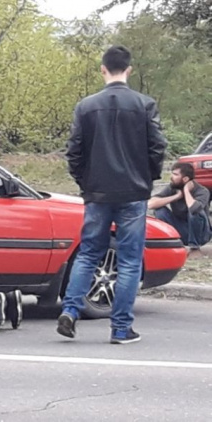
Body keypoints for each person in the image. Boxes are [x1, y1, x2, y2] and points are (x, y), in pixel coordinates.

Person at [58, 45, 167, 344]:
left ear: (103, 69)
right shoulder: (145, 104)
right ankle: (120, 329)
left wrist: (85, 182)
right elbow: (157, 147)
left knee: (89, 252)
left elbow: (74, 152)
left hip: (97, 192)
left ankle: (70, 310)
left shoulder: (86, 106)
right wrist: (147, 178)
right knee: (130, 260)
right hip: (133, 192)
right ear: (129, 70)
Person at [149, 162, 211, 254]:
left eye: (175, 174)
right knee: (160, 210)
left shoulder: (202, 191)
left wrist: (186, 191)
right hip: (182, 229)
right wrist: (176, 196)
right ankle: (170, 242)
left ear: (185, 179)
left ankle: (195, 248)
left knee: (194, 211)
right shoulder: (173, 188)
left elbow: (194, 209)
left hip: (201, 234)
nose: (171, 176)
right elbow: (150, 204)